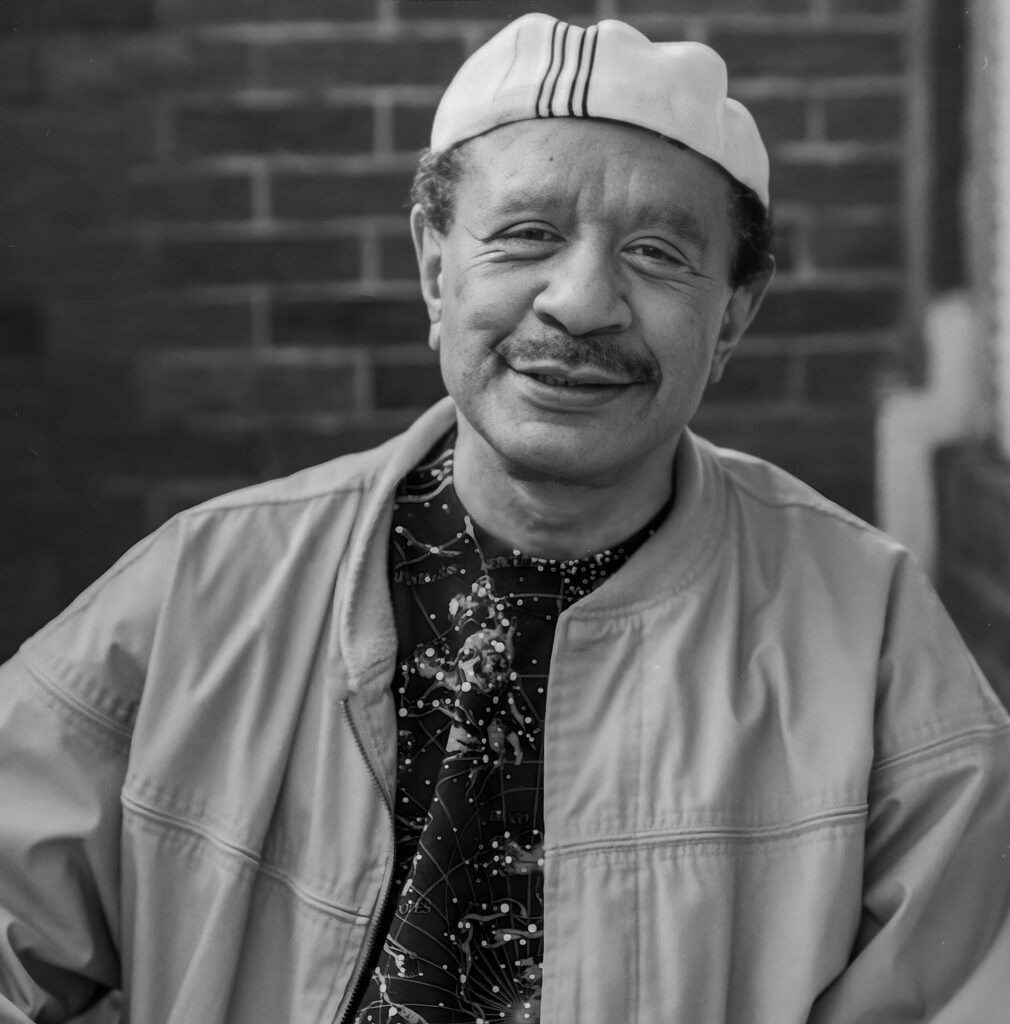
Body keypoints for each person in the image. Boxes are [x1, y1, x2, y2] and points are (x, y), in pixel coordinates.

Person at [1, 13, 1009, 1024]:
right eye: (525, 235)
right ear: (436, 267)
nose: (579, 302)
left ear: (732, 316)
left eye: (656, 253)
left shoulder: (866, 629)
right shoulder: (203, 589)